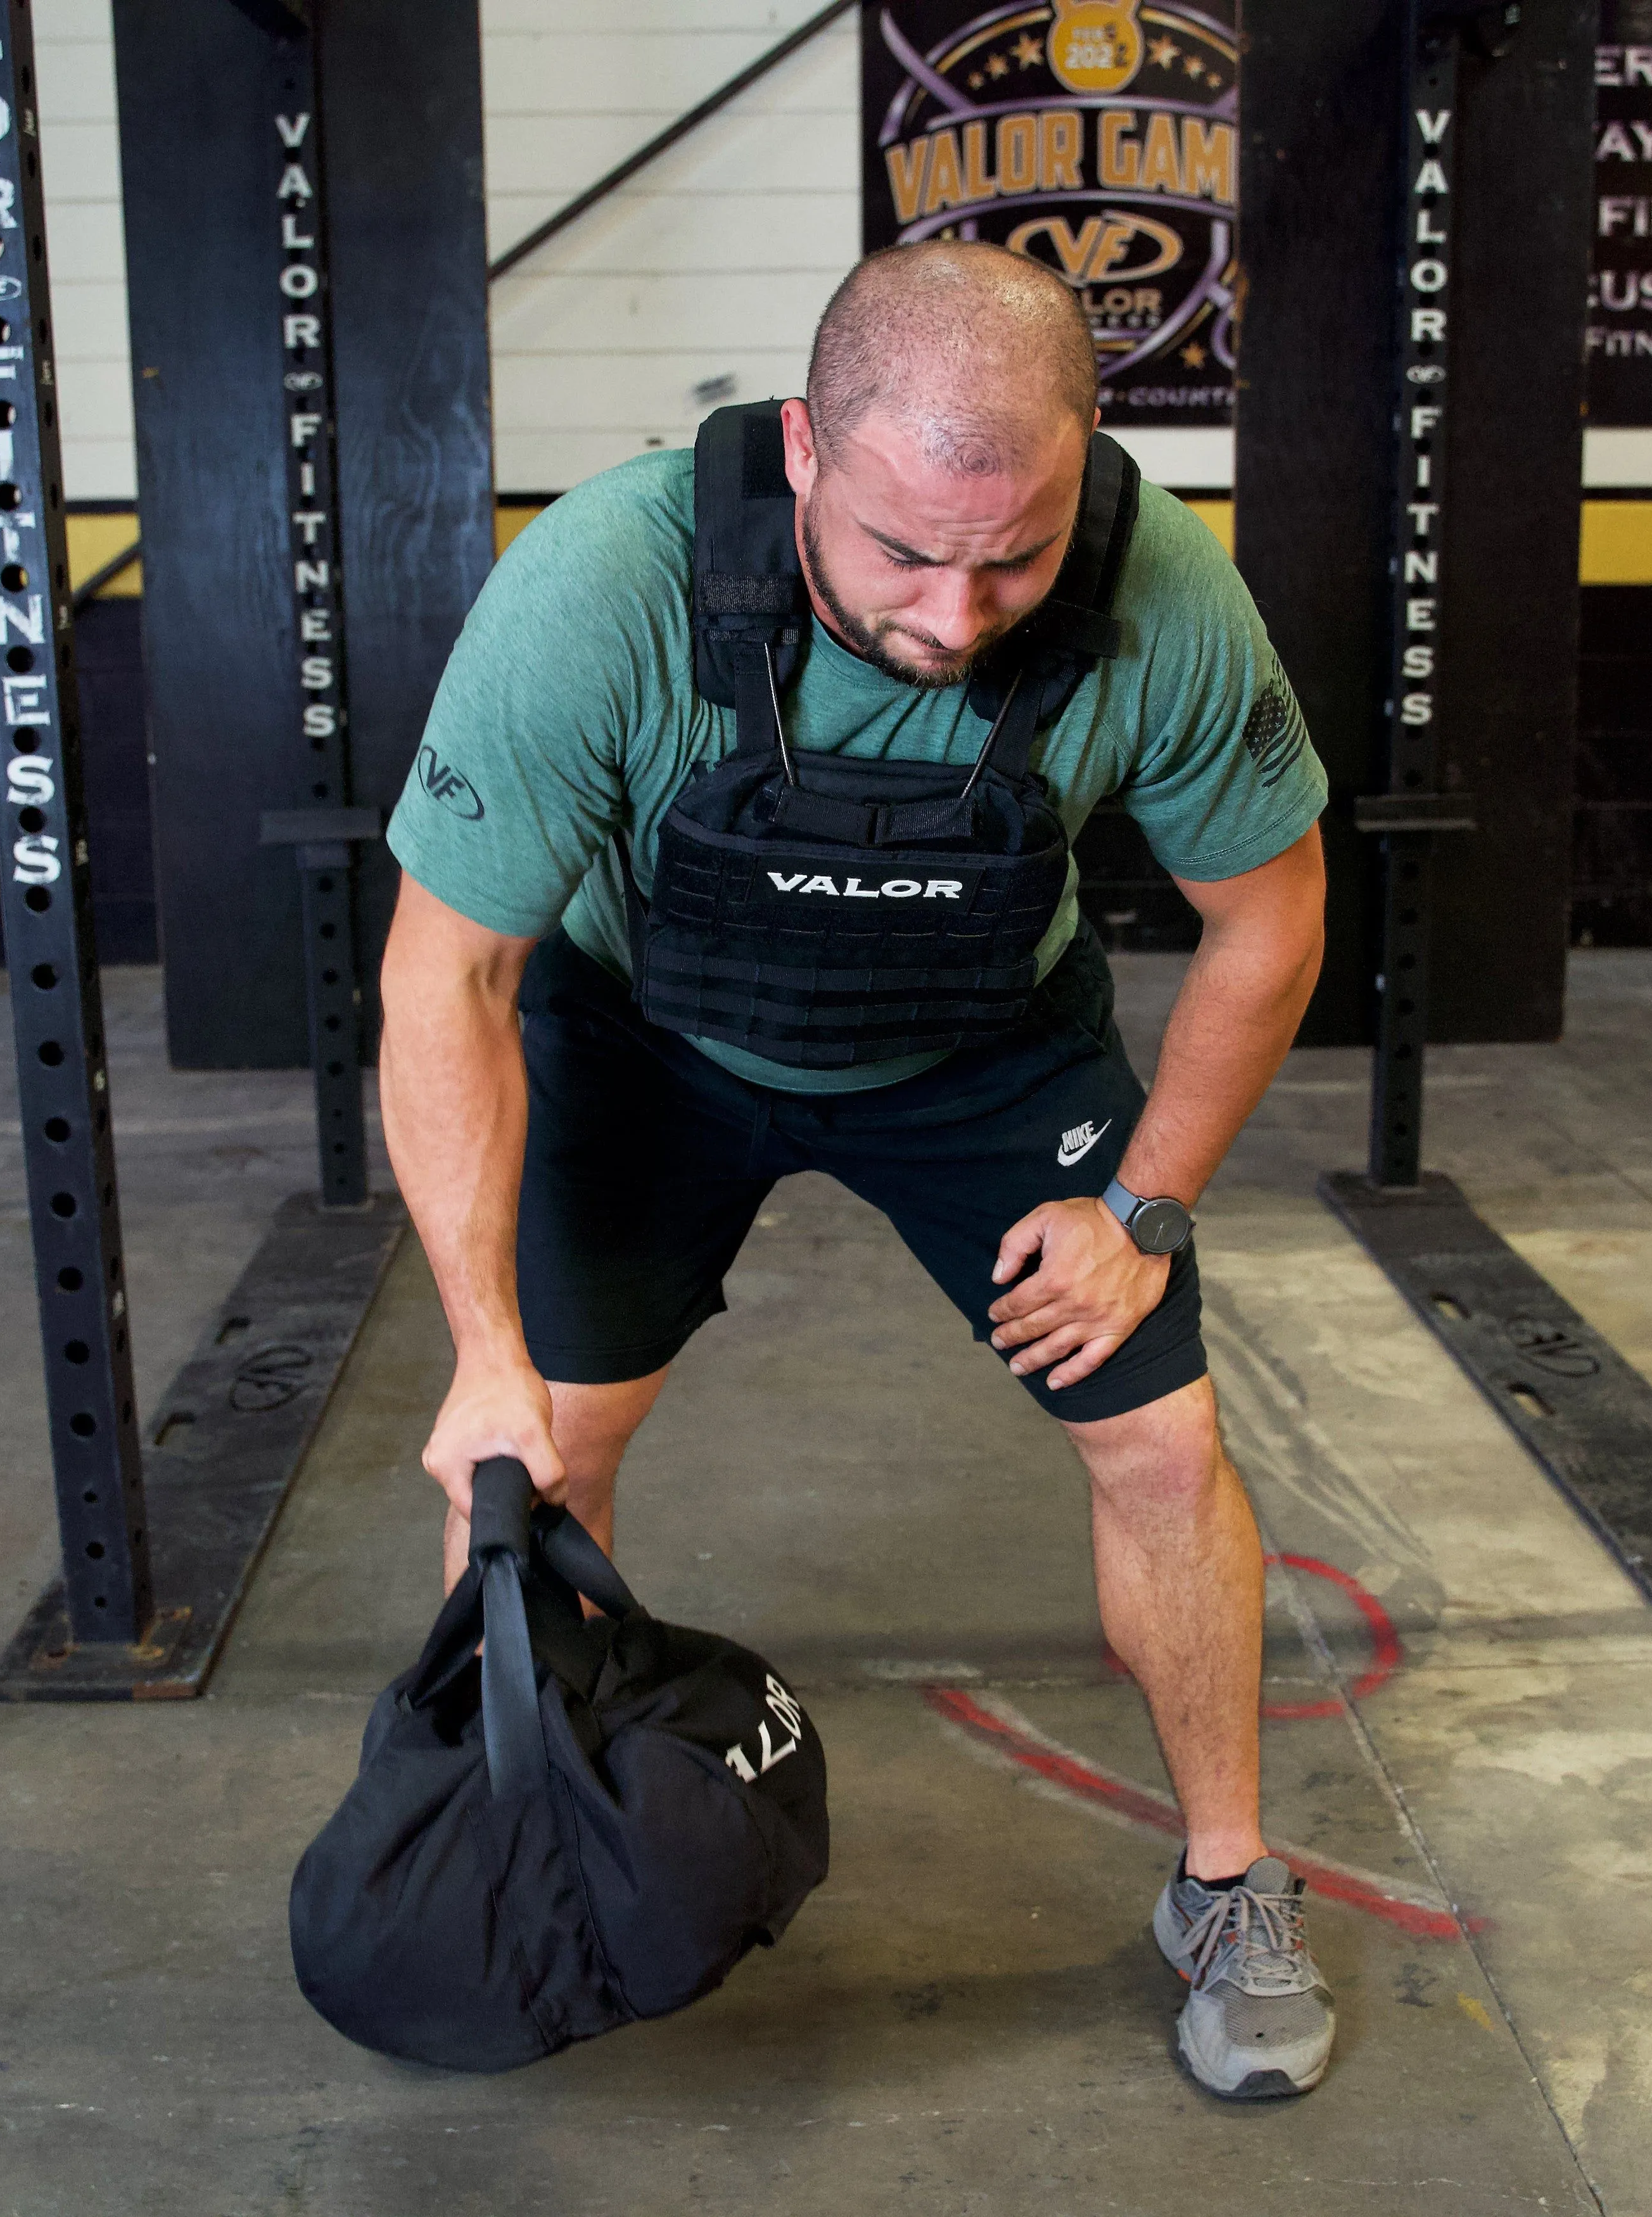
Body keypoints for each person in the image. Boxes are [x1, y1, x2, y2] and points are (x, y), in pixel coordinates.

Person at [377, 241, 1333, 2101]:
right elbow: (449, 972)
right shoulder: (603, 586)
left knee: (1157, 1441)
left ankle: (1226, 1883)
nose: (962, 611)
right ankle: (528, 1860)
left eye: (1016, 555)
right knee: (535, 1451)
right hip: (647, 1037)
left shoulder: (1166, 599)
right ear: (805, 450)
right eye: (906, 551)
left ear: (1082, 468)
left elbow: (1268, 923)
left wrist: (1142, 1209)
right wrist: (480, 1341)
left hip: (979, 1049)